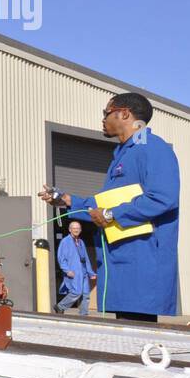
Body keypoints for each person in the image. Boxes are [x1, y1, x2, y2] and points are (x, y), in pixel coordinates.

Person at [39, 92, 180, 321]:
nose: (103, 119)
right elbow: (102, 205)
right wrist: (66, 200)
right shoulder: (122, 156)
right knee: (126, 337)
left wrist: (112, 214)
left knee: (138, 337)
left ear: (124, 113)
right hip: (121, 263)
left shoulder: (153, 148)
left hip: (142, 263)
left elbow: (163, 198)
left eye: (106, 113)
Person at [55, 220, 96, 316]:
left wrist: (90, 272)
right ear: (70, 230)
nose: (76, 230)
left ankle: (83, 313)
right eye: (74, 228)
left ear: (80, 230)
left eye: (78, 228)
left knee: (86, 294)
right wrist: (67, 270)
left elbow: (85, 258)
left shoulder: (81, 242)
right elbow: (61, 257)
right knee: (76, 292)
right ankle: (60, 306)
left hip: (84, 271)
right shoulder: (65, 241)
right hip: (74, 271)